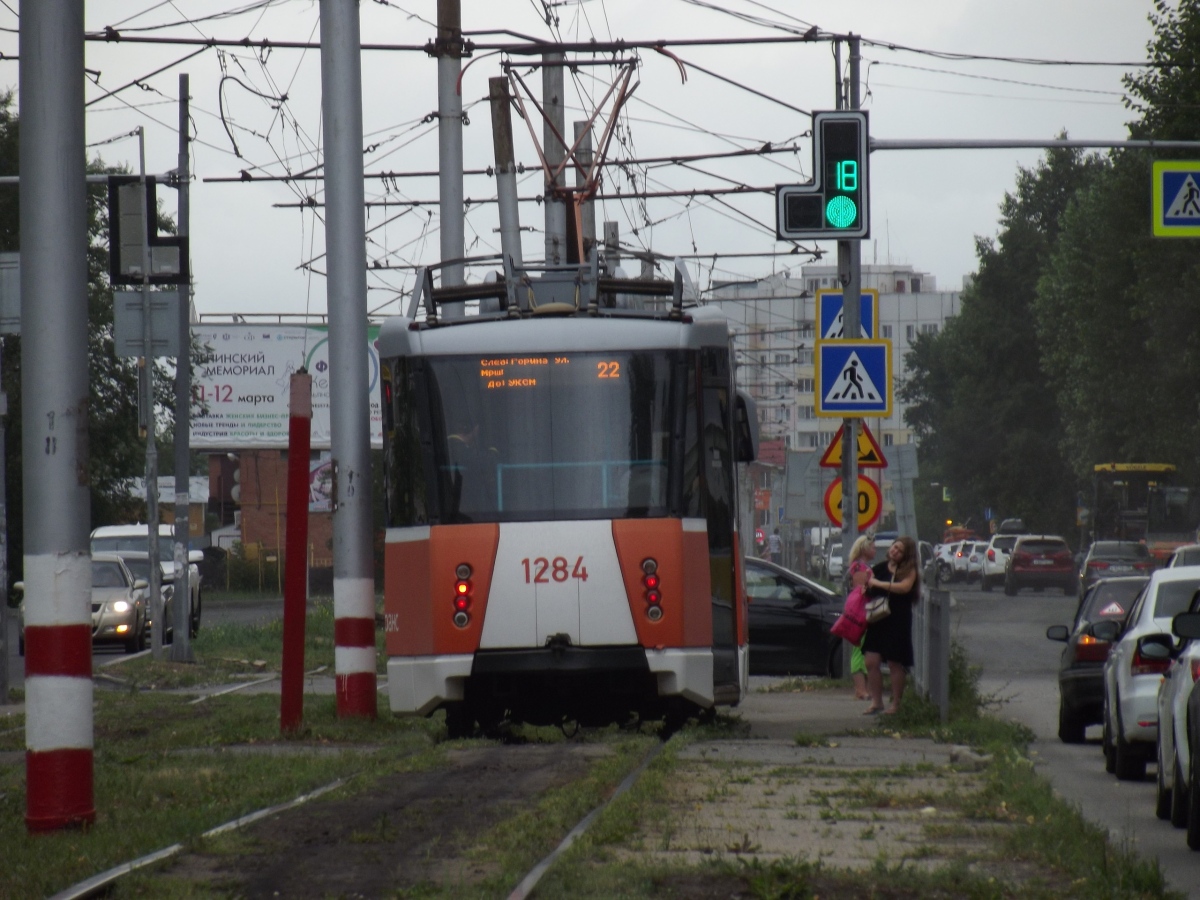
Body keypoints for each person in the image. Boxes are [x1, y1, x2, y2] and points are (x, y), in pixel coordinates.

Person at [861, 536, 920, 715]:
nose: (895, 551)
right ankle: (876, 702)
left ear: (906, 555)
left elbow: (904, 588)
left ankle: (896, 704)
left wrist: (878, 583)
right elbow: (868, 587)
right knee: (871, 661)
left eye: (900, 550)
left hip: (897, 619)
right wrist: (866, 586)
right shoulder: (880, 568)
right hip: (878, 618)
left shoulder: (909, 570)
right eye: (895, 547)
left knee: (895, 662)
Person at [842, 534, 876, 700]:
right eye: (872, 547)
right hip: (861, 613)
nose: (875, 550)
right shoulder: (859, 568)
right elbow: (862, 591)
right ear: (864, 549)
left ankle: (864, 689)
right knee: (859, 651)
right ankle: (860, 689)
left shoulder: (859, 566)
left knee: (865, 650)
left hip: (861, 611)